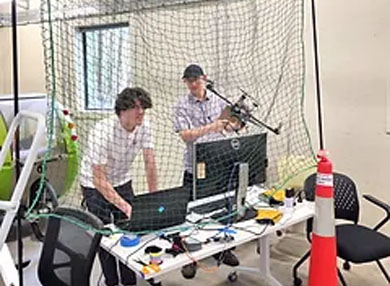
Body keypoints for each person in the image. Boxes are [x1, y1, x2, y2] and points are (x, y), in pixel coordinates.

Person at [80, 87, 160, 286]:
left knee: (129, 229)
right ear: (122, 111)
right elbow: (99, 180)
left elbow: (150, 163)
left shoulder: (144, 126)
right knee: (106, 234)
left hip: (122, 179)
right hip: (93, 184)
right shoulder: (102, 132)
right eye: (135, 107)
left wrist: (155, 199)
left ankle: (129, 280)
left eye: (143, 107)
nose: (141, 112)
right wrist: (126, 206)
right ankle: (111, 281)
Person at [174, 64, 239, 267]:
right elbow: (186, 136)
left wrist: (236, 123)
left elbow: (232, 125)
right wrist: (212, 126)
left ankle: (222, 250)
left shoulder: (218, 100)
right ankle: (189, 258)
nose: (193, 84)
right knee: (191, 213)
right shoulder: (181, 105)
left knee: (222, 208)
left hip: (218, 165)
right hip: (194, 166)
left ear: (204, 78)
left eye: (196, 79)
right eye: (189, 81)